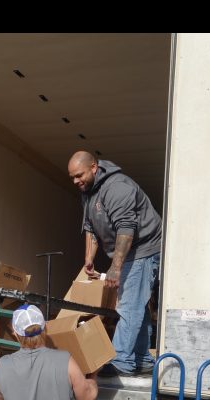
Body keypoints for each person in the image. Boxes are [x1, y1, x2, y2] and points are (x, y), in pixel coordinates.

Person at [67, 150, 163, 377]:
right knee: (136, 303)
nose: (76, 181)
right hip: (128, 250)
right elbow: (90, 227)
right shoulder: (88, 192)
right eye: (72, 177)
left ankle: (121, 361)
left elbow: (126, 229)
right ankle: (141, 358)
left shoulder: (117, 187)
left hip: (144, 248)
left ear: (93, 167)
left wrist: (115, 268)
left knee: (129, 304)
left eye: (79, 175)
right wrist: (89, 258)